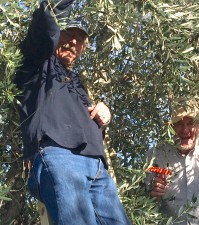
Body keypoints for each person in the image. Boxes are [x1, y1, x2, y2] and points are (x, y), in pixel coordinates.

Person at [14, 0, 131, 224]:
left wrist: (102, 115)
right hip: (59, 155)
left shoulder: (77, 82)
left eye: (80, 40)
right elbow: (46, 20)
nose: (73, 42)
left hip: (96, 166)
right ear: (56, 33)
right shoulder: (36, 65)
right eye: (68, 33)